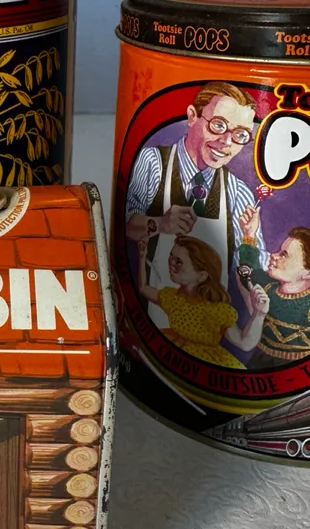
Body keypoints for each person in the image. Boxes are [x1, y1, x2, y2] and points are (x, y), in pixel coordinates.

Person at [126, 80, 266, 328]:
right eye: (218, 125)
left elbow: (249, 270)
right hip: (152, 319)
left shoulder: (237, 192)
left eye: (240, 135)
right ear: (192, 116)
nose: (226, 142)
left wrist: (249, 239)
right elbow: (128, 228)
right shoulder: (154, 162)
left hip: (207, 330)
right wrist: (160, 223)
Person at [138, 233, 269, 369]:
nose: (170, 263)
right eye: (171, 257)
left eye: (178, 261)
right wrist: (142, 257)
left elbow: (245, 343)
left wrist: (259, 313)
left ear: (202, 275)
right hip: (171, 354)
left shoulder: (216, 311)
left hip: (204, 364)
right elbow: (143, 289)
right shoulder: (172, 298)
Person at [236, 213, 310, 370]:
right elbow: (248, 270)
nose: (273, 256)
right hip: (258, 366)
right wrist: (249, 234)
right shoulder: (268, 287)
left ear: (307, 273)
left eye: (284, 255)